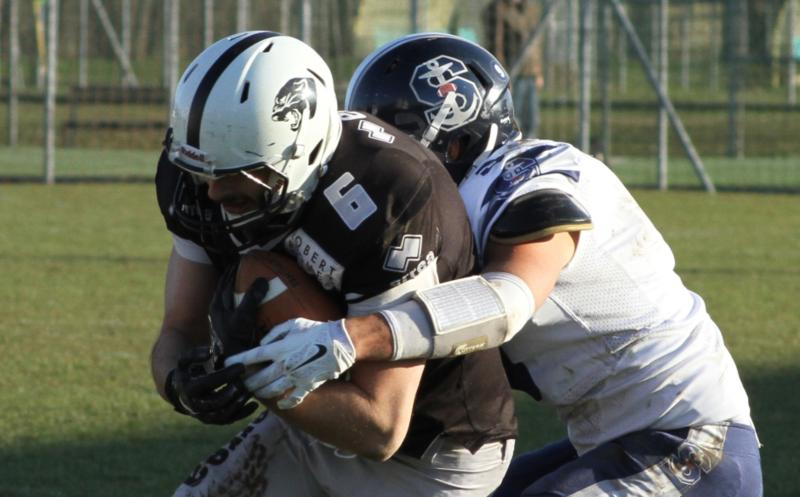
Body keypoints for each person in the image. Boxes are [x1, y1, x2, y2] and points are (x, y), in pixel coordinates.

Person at [229, 33, 763, 496]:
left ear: (454, 139)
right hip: (617, 441)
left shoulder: (522, 178)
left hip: (692, 444)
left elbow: (508, 298)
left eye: (388, 134)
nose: (372, 154)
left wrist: (352, 336)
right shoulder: (446, 213)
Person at [150, 31, 516, 497]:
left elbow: (380, 426)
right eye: (204, 176)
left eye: (240, 178)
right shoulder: (194, 182)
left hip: (436, 451)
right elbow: (178, 330)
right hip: (310, 422)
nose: (216, 195)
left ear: (302, 152)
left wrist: (255, 371)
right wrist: (180, 381)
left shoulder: (389, 193)